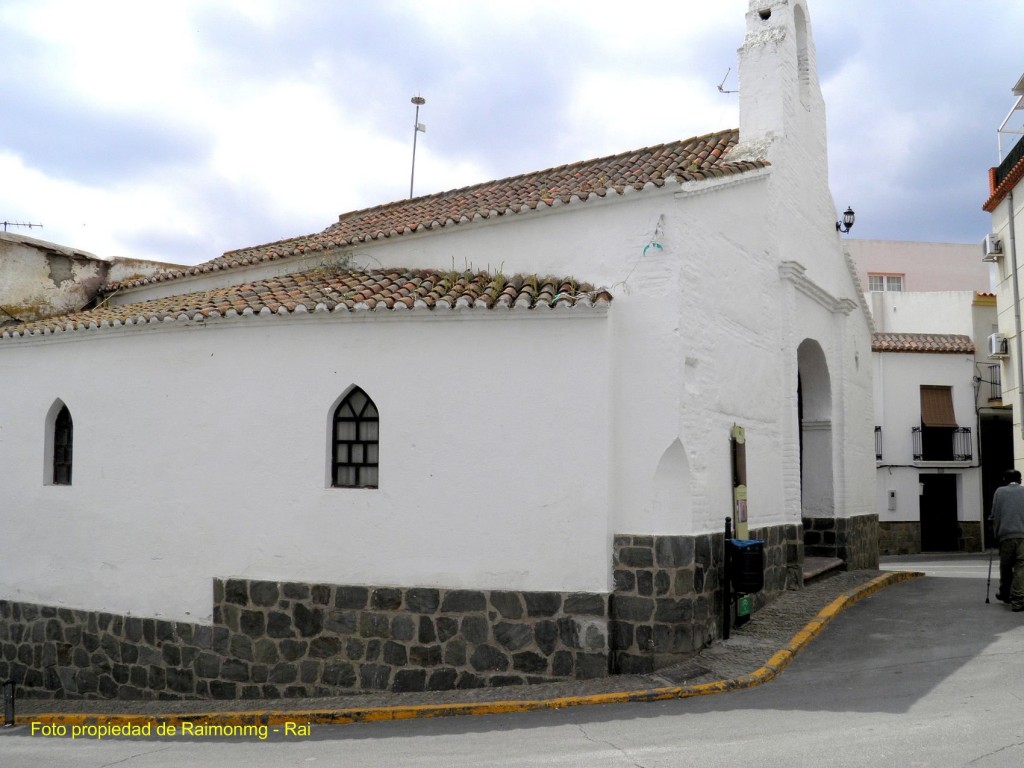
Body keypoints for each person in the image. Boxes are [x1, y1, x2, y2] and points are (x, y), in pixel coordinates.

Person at [992, 469, 1024, 611]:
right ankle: (1018, 599)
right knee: (1020, 566)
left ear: (1005, 480)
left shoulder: (999, 492)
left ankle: (1005, 593)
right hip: (1023, 536)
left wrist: (995, 534)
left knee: (1005, 566)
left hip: (1005, 536)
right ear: (1020, 480)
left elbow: (995, 514)